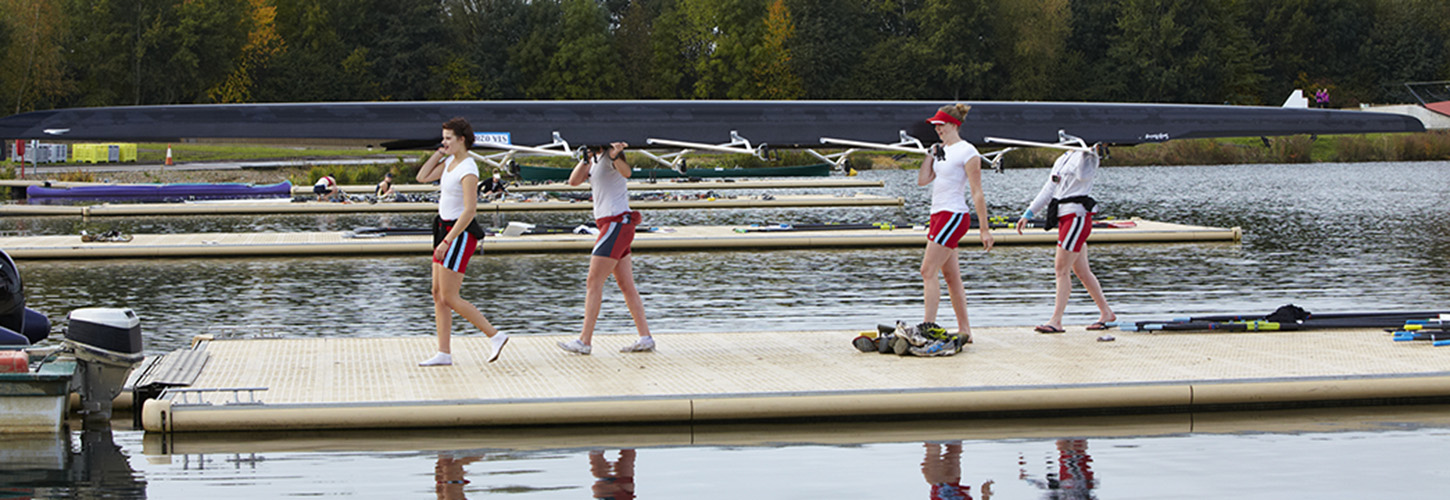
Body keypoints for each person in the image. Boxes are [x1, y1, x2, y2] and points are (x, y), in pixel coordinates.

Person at [415, 117, 509, 366]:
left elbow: (470, 211)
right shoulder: (448, 163)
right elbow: (422, 177)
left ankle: (495, 335)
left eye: (448, 138)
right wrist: (438, 153)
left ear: (462, 140)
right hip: (443, 229)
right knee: (437, 294)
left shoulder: (468, 168)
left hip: (459, 233)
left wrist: (448, 240)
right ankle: (443, 352)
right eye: (443, 138)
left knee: (449, 296)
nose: (444, 142)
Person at [558, 142, 653, 355]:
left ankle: (584, 341)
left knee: (593, 281)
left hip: (615, 223)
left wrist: (616, 156)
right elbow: (573, 182)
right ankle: (645, 338)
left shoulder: (611, 155)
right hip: (614, 225)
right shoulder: (593, 160)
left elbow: (627, 173)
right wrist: (585, 158)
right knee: (626, 284)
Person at [1015, 146, 1115, 333]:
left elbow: (1084, 175)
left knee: (1061, 269)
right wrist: (1029, 213)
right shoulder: (1063, 157)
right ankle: (1106, 312)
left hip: (1076, 217)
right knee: (1082, 271)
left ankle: (1056, 320)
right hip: (1063, 216)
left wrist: (1088, 152)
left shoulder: (1087, 156)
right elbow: (1050, 188)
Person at [918, 104, 994, 343]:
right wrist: (930, 155)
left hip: (953, 215)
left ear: (953, 124)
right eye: (936, 126)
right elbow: (922, 181)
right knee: (951, 277)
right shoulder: (942, 150)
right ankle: (966, 330)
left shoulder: (967, 151)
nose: (937, 129)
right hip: (938, 215)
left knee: (927, 271)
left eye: (941, 125)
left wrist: (984, 229)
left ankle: (927, 327)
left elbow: (977, 192)